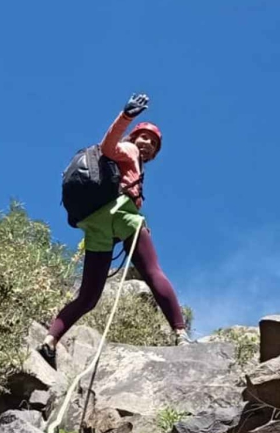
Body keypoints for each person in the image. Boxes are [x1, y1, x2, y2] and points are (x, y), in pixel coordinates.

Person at [38, 93, 187, 368]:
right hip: (122, 216)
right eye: (144, 138)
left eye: (153, 143)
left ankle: (50, 340)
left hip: (95, 223)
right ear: (134, 138)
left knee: (88, 297)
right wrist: (126, 116)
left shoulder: (125, 161)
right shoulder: (128, 151)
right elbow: (108, 146)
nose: (148, 144)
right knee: (153, 272)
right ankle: (181, 333)